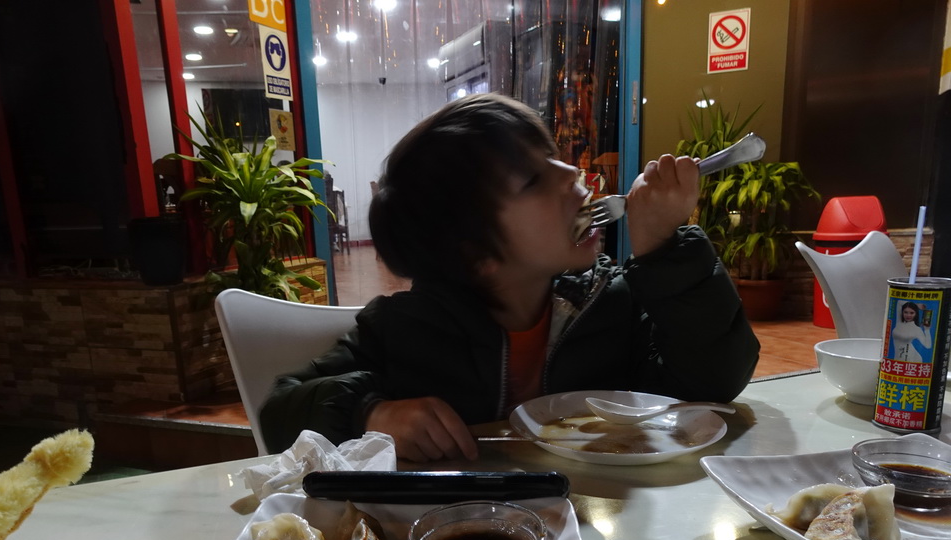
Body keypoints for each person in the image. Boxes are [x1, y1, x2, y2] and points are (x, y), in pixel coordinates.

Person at [260, 94, 760, 462]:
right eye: (533, 178)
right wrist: (367, 412)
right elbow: (280, 408)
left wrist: (666, 250)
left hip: (595, 531)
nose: (572, 172)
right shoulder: (405, 330)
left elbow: (711, 386)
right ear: (477, 253)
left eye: (556, 153)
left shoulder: (610, 303)